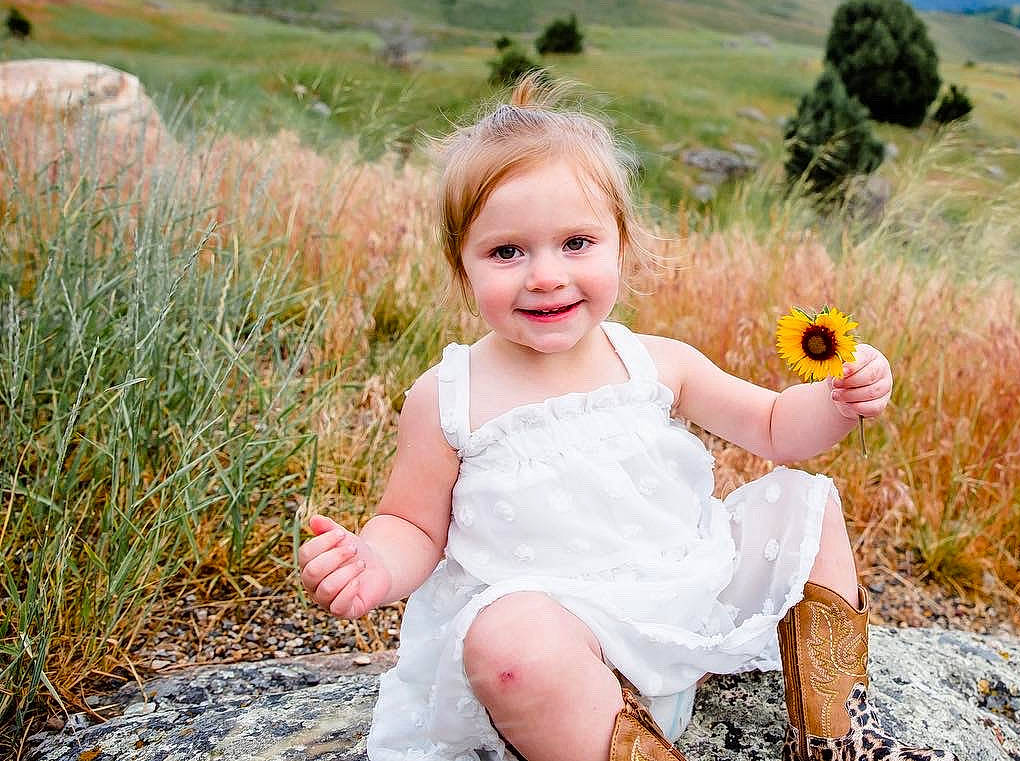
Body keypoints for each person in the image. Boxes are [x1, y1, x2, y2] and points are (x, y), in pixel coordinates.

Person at [297, 74, 951, 761]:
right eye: (507, 251)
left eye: (576, 242)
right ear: (462, 266)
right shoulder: (448, 394)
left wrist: (838, 401)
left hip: (681, 611)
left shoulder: (655, 362)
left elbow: (775, 427)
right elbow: (412, 524)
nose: (545, 275)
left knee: (810, 507)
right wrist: (373, 561)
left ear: (622, 244)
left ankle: (839, 739)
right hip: (559, 661)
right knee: (504, 637)